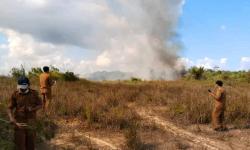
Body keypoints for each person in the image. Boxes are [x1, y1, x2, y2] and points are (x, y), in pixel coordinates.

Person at [7, 77, 42, 150]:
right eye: (21, 87)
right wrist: (11, 118)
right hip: (19, 123)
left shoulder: (34, 93)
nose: (22, 89)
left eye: (24, 87)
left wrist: (32, 109)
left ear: (28, 85)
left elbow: (40, 105)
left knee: (30, 144)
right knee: (19, 145)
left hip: (31, 122)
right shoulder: (15, 94)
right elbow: (9, 108)